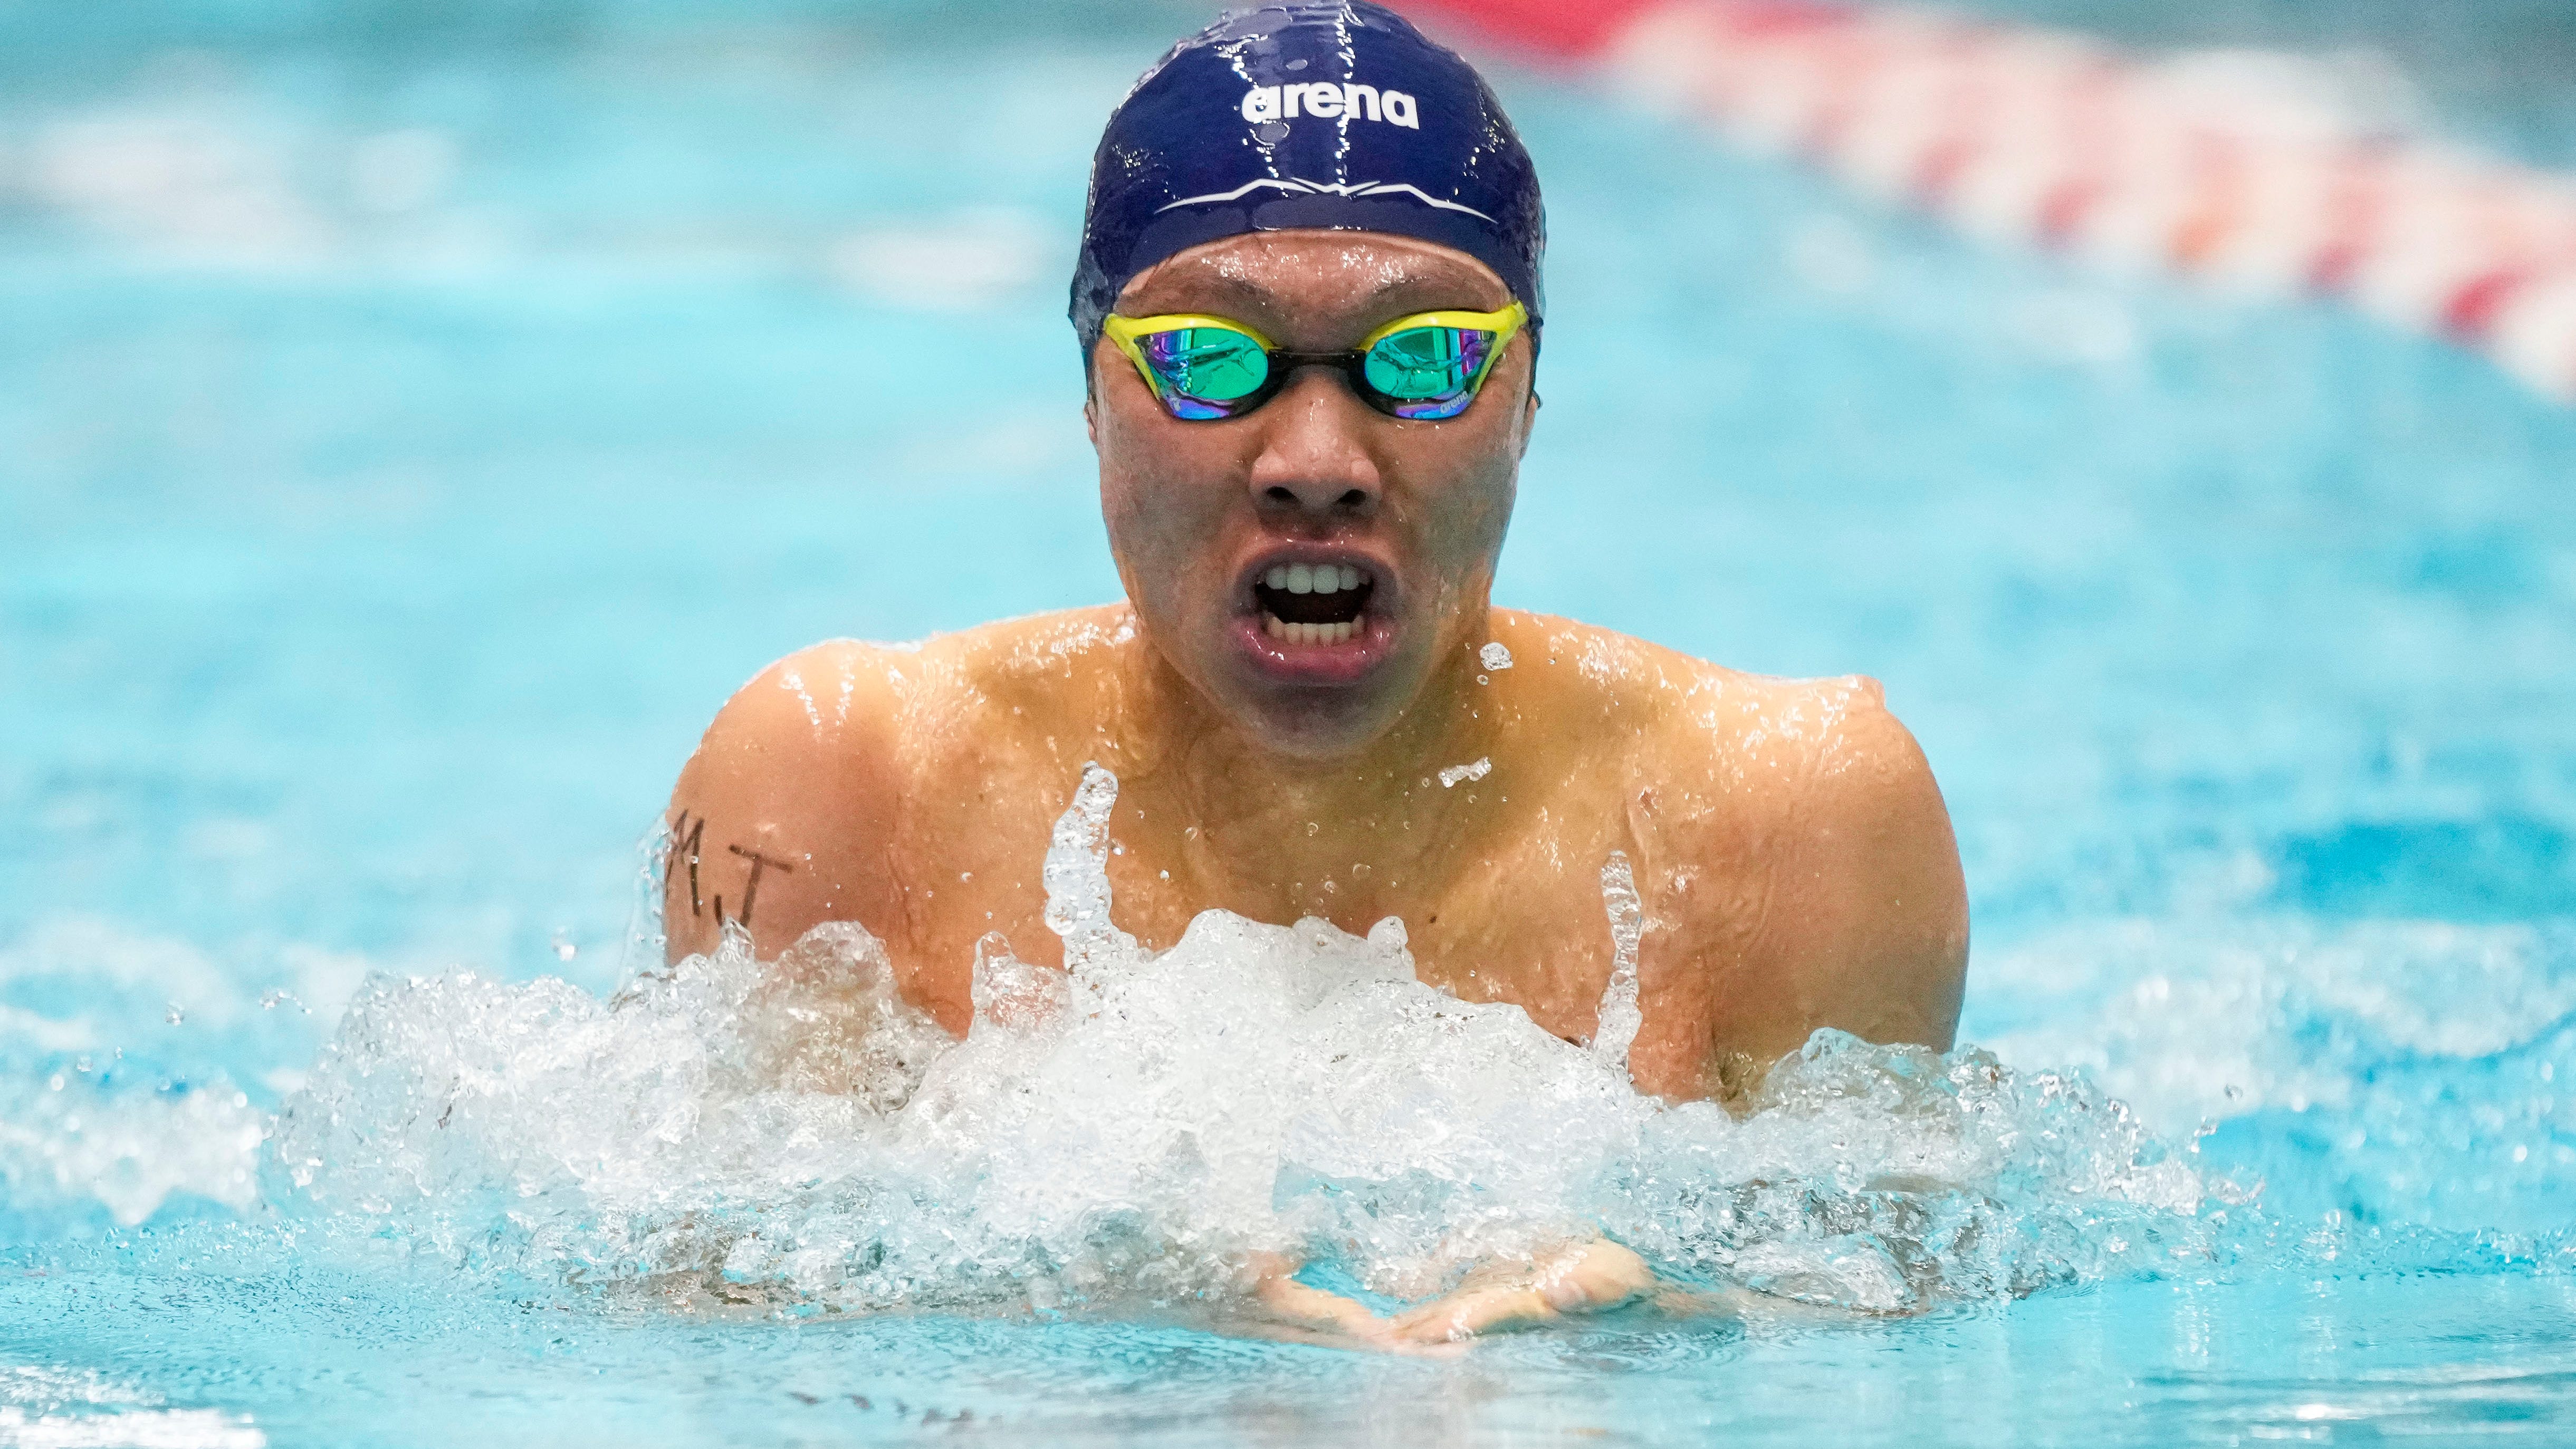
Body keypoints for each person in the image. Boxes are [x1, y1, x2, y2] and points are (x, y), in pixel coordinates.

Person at [662, 0, 1967, 1346]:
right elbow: (719, 1319)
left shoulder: (1790, 815)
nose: (1317, 461)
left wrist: (1666, 1329)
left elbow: (1891, 1324)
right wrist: (1116, 1326)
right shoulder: (845, 781)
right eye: (1206, 358)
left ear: (1527, 399)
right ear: (1092, 400)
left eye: (1428, 356)